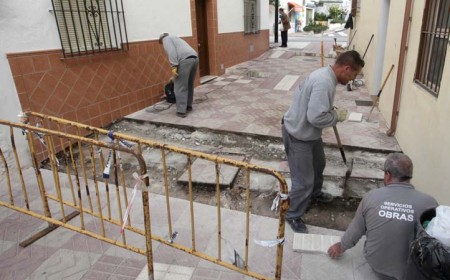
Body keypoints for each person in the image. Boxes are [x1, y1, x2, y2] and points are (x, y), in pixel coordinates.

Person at [282, 50, 365, 233]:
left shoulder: (325, 75)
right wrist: (336, 116)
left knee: (319, 164)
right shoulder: (324, 82)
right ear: (346, 68)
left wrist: (328, 109)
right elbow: (316, 118)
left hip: (308, 134)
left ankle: (314, 193)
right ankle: (293, 214)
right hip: (298, 135)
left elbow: (316, 107)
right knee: (303, 180)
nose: (353, 78)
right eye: (354, 74)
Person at [328, 153, 439, 280]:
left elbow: (356, 229)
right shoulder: (429, 202)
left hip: (379, 267)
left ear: (388, 175)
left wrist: (341, 246)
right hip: (414, 272)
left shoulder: (371, 197)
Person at [159, 33, 199, 118]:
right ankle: (188, 106)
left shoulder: (166, 39)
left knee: (179, 86)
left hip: (184, 60)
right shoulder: (176, 38)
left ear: (161, 39)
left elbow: (171, 52)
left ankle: (181, 111)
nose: (162, 45)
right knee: (189, 84)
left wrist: (174, 66)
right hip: (194, 58)